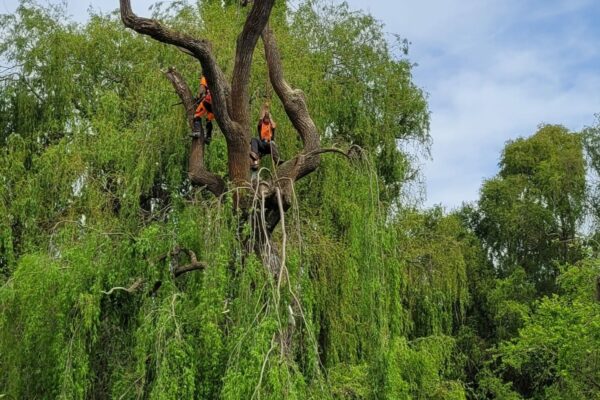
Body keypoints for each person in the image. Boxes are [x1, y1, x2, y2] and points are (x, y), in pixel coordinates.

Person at [250, 105, 281, 170]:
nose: (266, 120)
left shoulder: (271, 125)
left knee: (272, 143)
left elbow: (273, 126)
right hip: (262, 143)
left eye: (267, 119)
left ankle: (277, 160)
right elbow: (260, 121)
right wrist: (263, 114)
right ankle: (254, 157)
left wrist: (270, 117)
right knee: (254, 139)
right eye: (265, 118)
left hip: (269, 145)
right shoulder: (261, 125)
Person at [191, 75, 214, 144]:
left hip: (207, 102)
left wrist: (198, 97)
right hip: (216, 106)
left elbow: (201, 89)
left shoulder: (204, 78)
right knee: (209, 120)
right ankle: (208, 137)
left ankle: (197, 132)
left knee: (197, 115)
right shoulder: (216, 79)